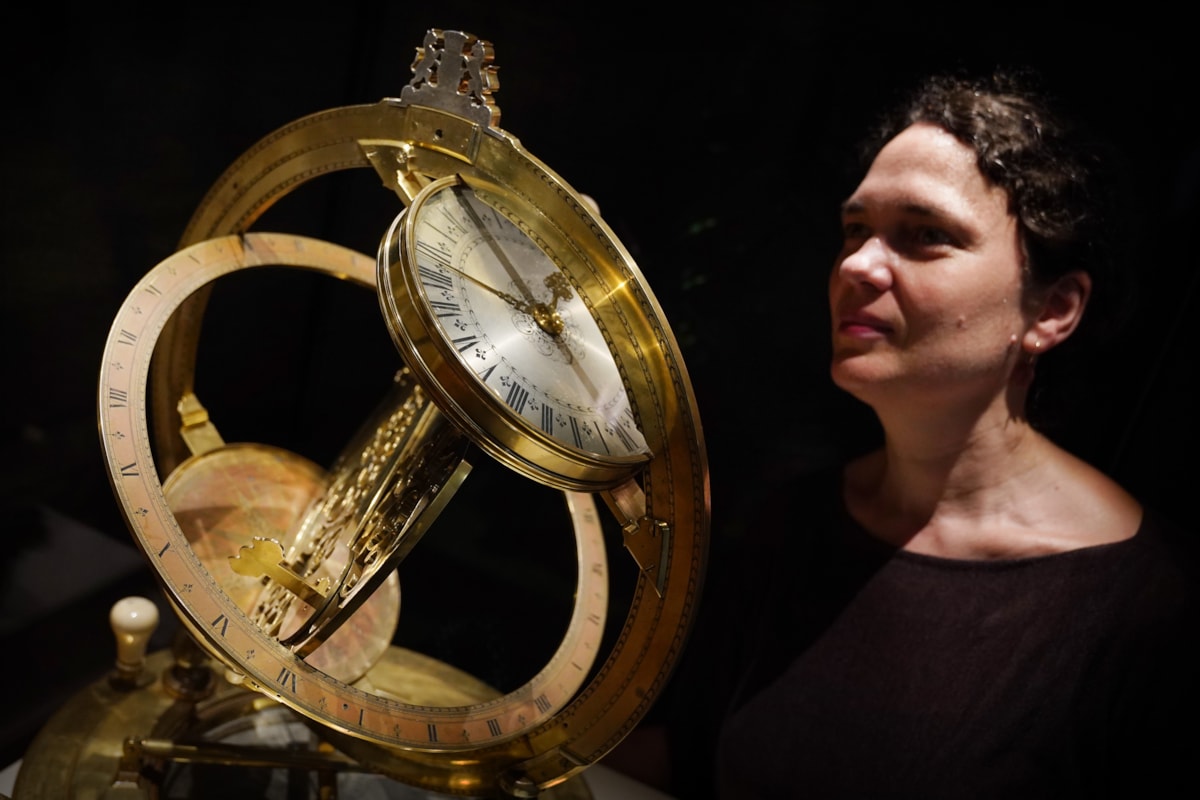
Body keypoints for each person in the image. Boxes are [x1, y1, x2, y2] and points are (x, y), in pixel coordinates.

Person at [605, 68, 1200, 799]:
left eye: (925, 235)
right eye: (856, 229)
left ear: (1053, 311)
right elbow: (691, 765)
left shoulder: (1146, 611)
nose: (857, 264)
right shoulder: (792, 524)